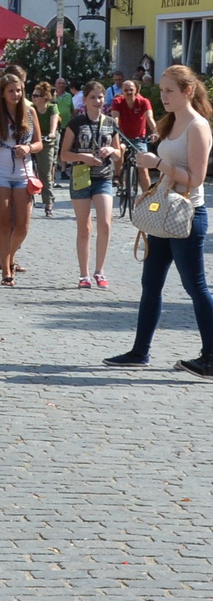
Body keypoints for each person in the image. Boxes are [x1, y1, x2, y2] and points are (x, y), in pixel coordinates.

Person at [104, 65, 213, 375]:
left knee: (196, 287)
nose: (163, 95)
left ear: (188, 91)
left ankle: (211, 356)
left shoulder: (197, 126)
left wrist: (158, 163)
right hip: (163, 212)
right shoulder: (173, 121)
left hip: (187, 214)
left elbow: (196, 179)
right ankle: (140, 351)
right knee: (150, 284)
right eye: (162, 90)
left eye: (169, 91)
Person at [0, 74, 42, 286]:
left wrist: (29, 148)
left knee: (22, 225)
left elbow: (39, 143)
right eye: (11, 91)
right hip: (0, 171)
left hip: (24, 172)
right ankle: (6, 268)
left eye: (19, 90)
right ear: (3, 93)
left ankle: (8, 255)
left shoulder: (30, 112)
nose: (16, 94)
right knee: (4, 221)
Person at [60, 79, 119, 289]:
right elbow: (64, 154)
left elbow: (119, 152)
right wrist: (83, 156)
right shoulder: (76, 123)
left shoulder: (110, 123)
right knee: (84, 226)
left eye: (100, 97)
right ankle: (83, 274)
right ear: (85, 99)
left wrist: (111, 150)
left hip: (103, 177)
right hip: (81, 176)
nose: (97, 100)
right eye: (92, 97)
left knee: (105, 223)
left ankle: (99, 270)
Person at [112, 75, 157, 192]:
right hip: (123, 137)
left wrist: (155, 132)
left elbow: (149, 118)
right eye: (126, 90)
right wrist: (115, 130)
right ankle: (117, 175)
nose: (128, 92)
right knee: (119, 150)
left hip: (139, 138)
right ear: (122, 91)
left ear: (136, 90)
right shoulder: (117, 101)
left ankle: (147, 196)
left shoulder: (143, 102)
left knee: (143, 168)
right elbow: (115, 118)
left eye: (131, 89)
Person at [31, 81, 59, 219]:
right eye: (33, 95)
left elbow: (54, 122)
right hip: (33, 141)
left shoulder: (52, 108)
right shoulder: (31, 109)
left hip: (47, 142)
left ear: (45, 98)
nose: (34, 98)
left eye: (37, 96)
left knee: (45, 173)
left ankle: (48, 204)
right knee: (26, 171)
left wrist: (52, 133)